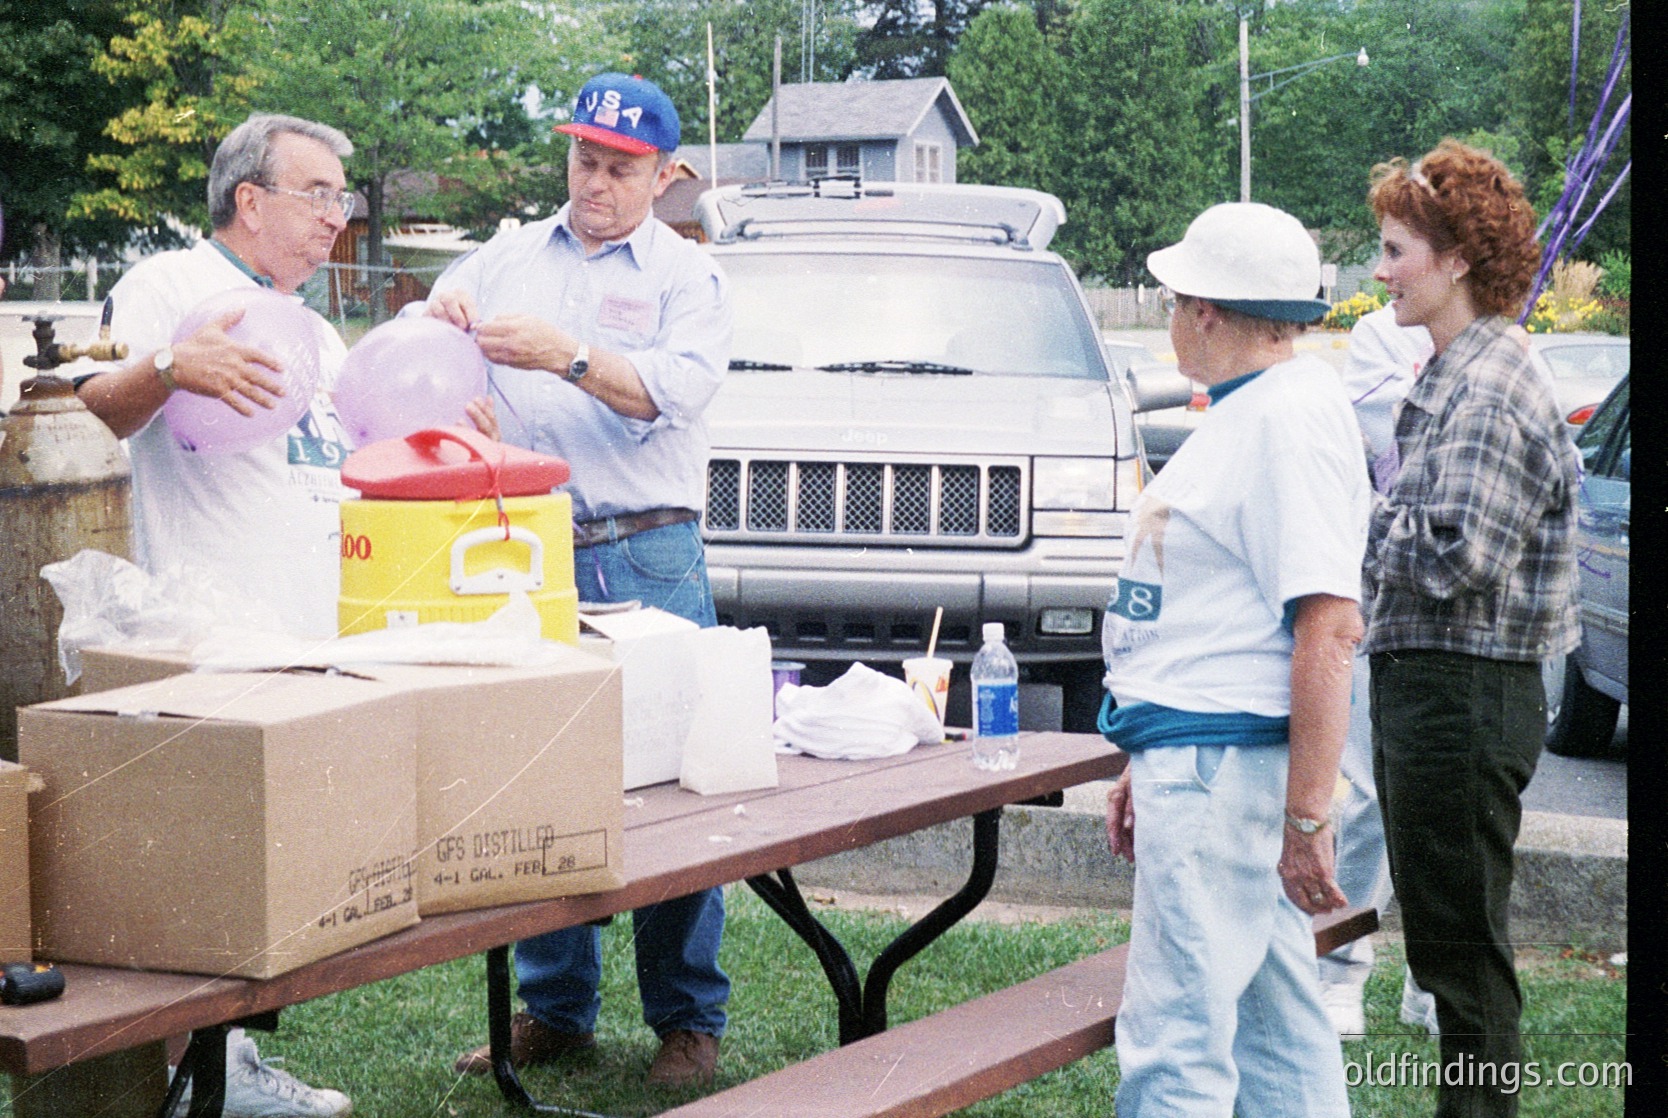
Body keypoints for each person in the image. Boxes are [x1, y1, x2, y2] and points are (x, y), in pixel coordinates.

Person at [426, 73, 733, 1089]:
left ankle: (687, 1018)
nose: (597, 183)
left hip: (650, 545)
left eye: (621, 168)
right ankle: (555, 1008)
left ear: (663, 174)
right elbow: (441, 327)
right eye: (585, 160)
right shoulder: (511, 251)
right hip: (533, 541)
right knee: (539, 775)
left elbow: (676, 392)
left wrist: (567, 358)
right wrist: (451, 347)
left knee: (674, 785)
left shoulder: (688, 277)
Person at [74, 113, 379, 1116]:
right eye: (322, 192)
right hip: (203, 637)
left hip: (301, 647)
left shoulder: (320, 329)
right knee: (191, 881)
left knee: (265, 882)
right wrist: (170, 367)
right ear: (252, 200)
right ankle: (182, 1077)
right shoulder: (166, 284)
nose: (341, 213)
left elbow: (348, 464)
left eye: (343, 195)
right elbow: (96, 403)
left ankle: (228, 1067)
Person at [1101, 202, 1369, 1117]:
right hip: (1210, 756)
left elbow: (1328, 627)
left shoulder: (1283, 422)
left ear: (1206, 311)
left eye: (1177, 298)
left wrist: (1306, 819)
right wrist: (1152, 749)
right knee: (1278, 1034)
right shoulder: (1269, 409)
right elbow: (1209, 619)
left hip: (1221, 766)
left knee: (1175, 1045)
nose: (1172, 316)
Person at [1362, 138, 1577, 1118]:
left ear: (1455, 261)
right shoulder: (1457, 367)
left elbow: (1460, 558)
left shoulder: (1489, 384)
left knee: (1463, 963)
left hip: (1464, 691)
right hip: (1441, 688)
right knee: (1451, 950)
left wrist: (1355, 527)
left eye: (1397, 248)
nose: (1380, 269)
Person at [1317, 303, 1441, 1041]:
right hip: (1377, 597)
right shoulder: (1377, 336)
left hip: (1460, 618)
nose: (1384, 272)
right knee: (1369, 795)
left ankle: (1433, 979)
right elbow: (1386, 443)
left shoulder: (1498, 336)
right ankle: (1341, 969)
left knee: (1444, 804)